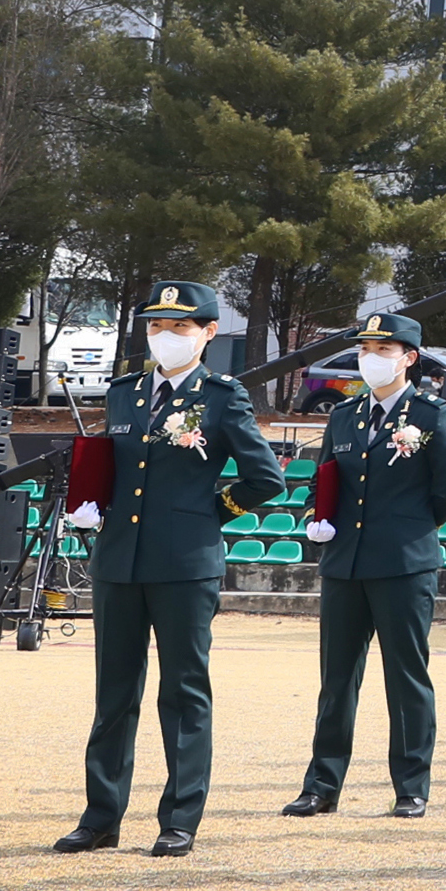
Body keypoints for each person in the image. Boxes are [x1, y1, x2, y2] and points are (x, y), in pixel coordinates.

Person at [57, 284, 288, 854]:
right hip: (117, 560)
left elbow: (266, 478)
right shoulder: (125, 393)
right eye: (157, 327)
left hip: (185, 563)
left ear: (209, 333)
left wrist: (209, 512)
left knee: (183, 693)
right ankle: (100, 816)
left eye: (180, 328)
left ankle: (179, 818)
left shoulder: (222, 396)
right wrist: (92, 503)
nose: (165, 337)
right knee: (114, 692)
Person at [285, 309, 446, 820]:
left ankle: (411, 785)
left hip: (404, 563)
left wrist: (406, 531)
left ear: (408, 359)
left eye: (383, 351)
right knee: (336, 678)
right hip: (345, 563)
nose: (371, 360)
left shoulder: (432, 416)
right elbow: (326, 478)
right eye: (366, 351)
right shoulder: (345, 416)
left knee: (406, 675)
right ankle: (322, 784)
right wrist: (314, 517)